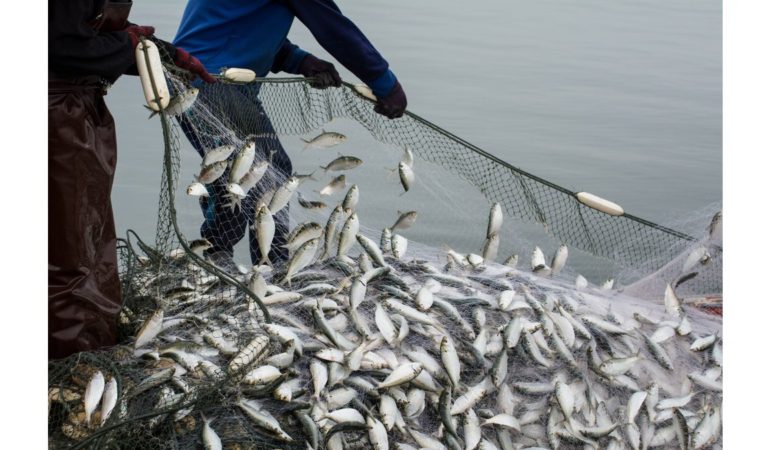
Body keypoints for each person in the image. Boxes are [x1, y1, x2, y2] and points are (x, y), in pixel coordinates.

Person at [173, 0, 408, 271]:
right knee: (251, 172)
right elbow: (334, 29)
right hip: (208, 82)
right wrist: (385, 83)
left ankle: (260, 262)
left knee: (262, 170)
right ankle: (234, 259)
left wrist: (300, 60)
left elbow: (243, 24)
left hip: (213, 79)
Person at [48, 0, 213, 359]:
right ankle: (73, 362)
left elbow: (82, 30)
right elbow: (62, 47)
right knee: (68, 251)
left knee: (87, 238)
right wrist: (128, 44)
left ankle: (90, 345)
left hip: (73, 109)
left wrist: (164, 53)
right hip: (56, 118)